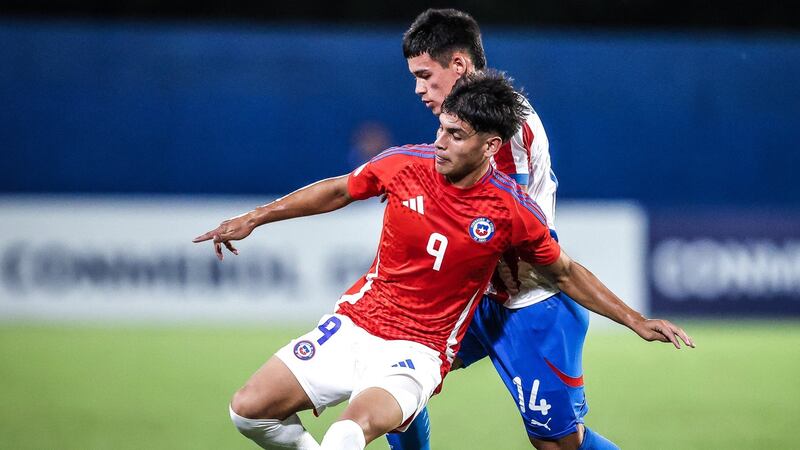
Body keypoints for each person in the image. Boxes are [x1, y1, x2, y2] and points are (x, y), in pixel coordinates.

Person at [194, 72, 692, 450]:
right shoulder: (404, 164)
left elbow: (564, 272)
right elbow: (339, 190)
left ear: (490, 145)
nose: (440, 141)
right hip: (353, 324)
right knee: (248, 412)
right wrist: (255, 217)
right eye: (441, 128)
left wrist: (636, 320)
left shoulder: (511, 211)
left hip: (416, 351)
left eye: (456, 134)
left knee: (346, 436)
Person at [387, 9, 693, 450]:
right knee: (391, 377)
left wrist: (634, 320)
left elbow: (498, 221)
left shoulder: (506, 128)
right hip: (477, 296)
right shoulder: (465, 119)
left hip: (530, 304)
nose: (418, 89)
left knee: (558, 444)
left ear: (458, 65)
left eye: (424, 75)